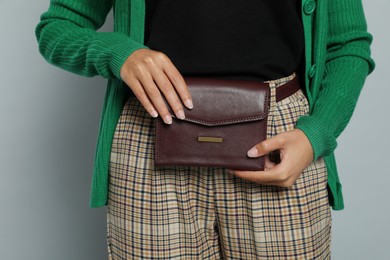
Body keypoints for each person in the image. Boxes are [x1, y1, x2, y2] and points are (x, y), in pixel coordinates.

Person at [36, 0, 374, 259]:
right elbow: (58, 27)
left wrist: (315, 135)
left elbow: (348, 45)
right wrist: (119, 54)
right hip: (150, 136)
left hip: (282, 141)